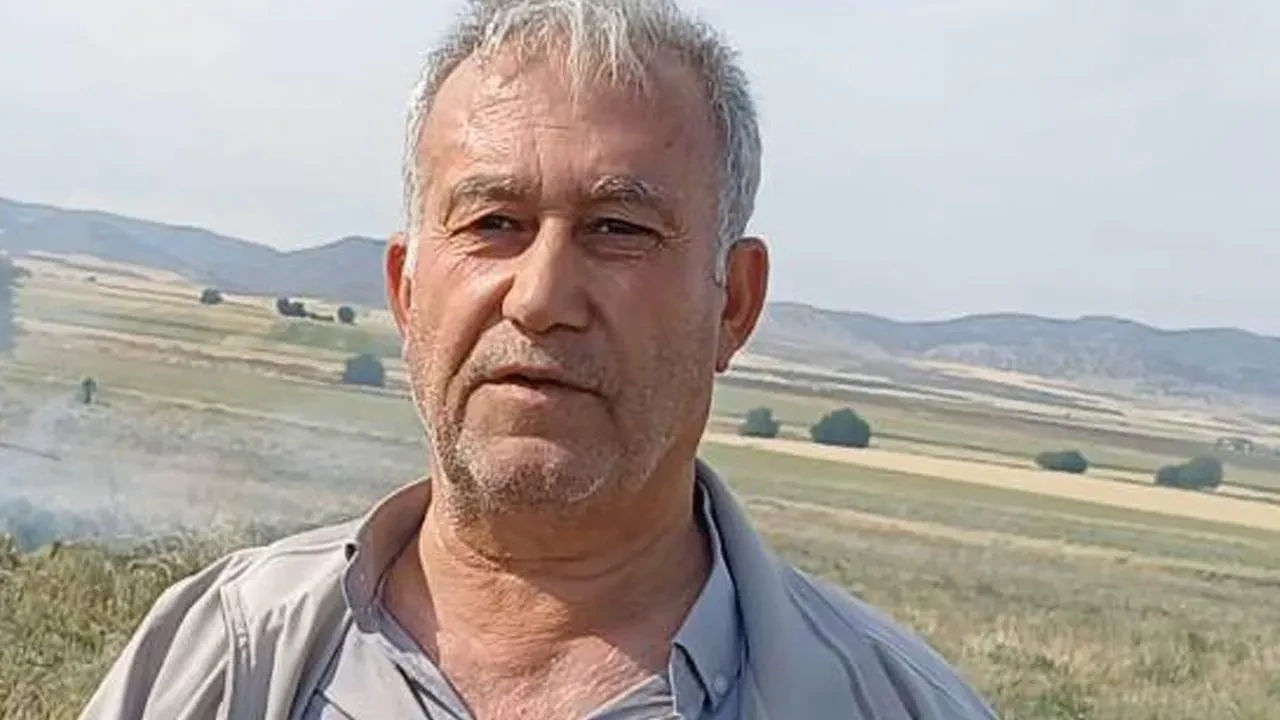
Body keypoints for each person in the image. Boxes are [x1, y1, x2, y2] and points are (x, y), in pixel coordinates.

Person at [81, 1, 998, 718]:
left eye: (619, 228)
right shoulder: (220, 658)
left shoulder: (895, 705)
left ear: (734, 303)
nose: (541, 297)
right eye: (493, 223)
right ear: (406, 291)